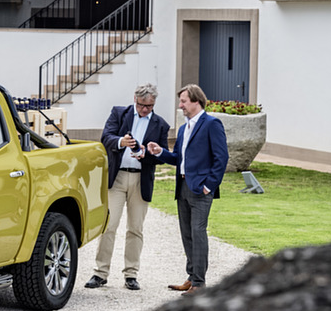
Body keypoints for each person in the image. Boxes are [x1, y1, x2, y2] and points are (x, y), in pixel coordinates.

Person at [84, 83, 169, 291]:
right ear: (135, 99)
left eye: (149, 106)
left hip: (141, 179)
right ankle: (100, 273)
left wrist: (148, 153)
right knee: (109, 225)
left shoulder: (161, 124)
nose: (145, 109)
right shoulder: (119, 113)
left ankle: (131, 274)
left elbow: (162, 156)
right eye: (142, 105)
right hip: (118, 177)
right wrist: (122, 141)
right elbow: (106, 137)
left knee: (135, 229)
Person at [147, 83, 229, 295]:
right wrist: (159, 152)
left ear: (196, 101)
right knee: (187, 234)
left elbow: (221, 158)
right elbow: (178, 158)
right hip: (182, 186)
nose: (180, 105)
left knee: (198, 233)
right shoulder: (183, 128)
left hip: (201, 190)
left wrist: (209, 186)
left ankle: (199, 284)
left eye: (183, 101)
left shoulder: (212, 124)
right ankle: (191, 278)